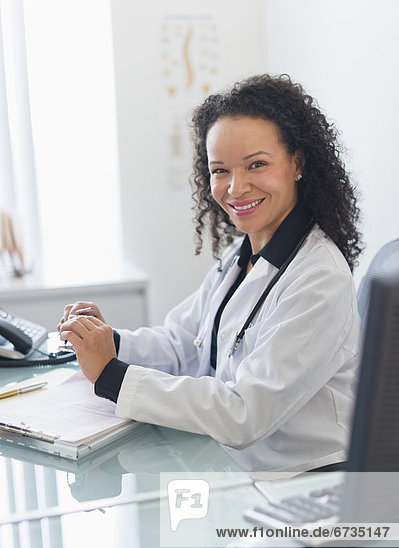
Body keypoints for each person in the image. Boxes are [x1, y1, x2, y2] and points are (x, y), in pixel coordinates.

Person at [58, 74, 363, 472]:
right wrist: (106, 342)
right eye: (220, 170)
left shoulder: (320, 278)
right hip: (236, 467)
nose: (236, 188)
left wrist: (112, 375)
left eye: (257, 164)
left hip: (304, 484)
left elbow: (244, 413)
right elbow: (184, 343)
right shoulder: (243, 255)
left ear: (297, 163)